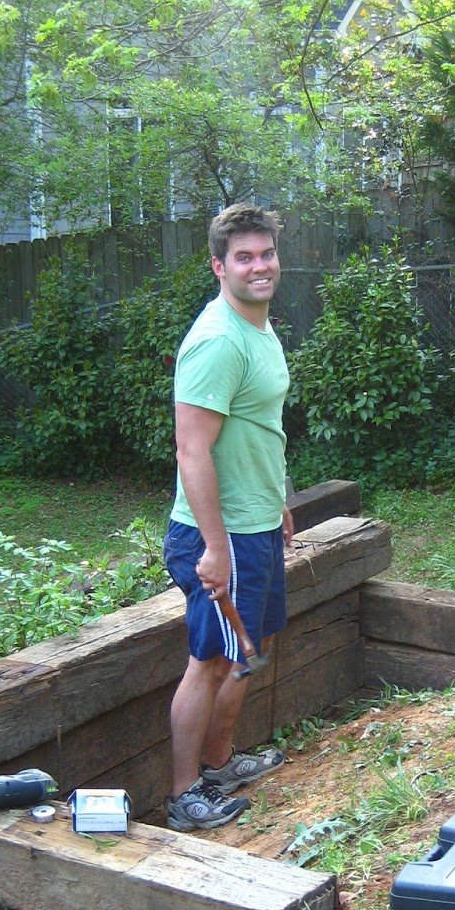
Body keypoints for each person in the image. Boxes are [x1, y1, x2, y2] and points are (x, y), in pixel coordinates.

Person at [162, 203, 294, 830]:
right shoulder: (217, 341)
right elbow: (193, 449)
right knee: (211, 661)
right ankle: (185, 794)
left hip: (256, 522)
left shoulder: (259, 329)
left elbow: (260, 426)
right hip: (220, 535)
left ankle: (220, 763)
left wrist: (280, 501)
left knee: (249, 650)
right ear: (219, 266)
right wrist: (214, 549)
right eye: (244, 257)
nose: (259, 265)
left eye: (265, 253)